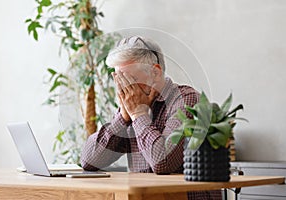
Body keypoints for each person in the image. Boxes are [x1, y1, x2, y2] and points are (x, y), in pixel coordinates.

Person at [80, 36, 222, 199]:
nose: (124, 89)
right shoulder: (132, 104)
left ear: (155, 73)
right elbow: (89, 161)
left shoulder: (186, 99)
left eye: (129, 80)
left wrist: (138, 114)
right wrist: (122, 118)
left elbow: (163, 163)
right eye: (119, 81)